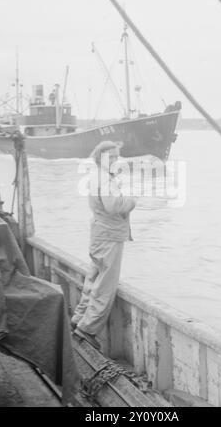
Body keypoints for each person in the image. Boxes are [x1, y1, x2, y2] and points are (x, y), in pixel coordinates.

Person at [72, 141, 136, 348]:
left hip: (99, 234)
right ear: (100, 157)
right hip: (109, 236)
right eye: (112, 157)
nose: (116, 160)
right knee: (106, 285)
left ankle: (78, 318)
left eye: (117, 157)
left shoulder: (94, 176)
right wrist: (131, 200)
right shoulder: (105, 180)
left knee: (93, 278)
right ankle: (87, 329)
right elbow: (113, 205)